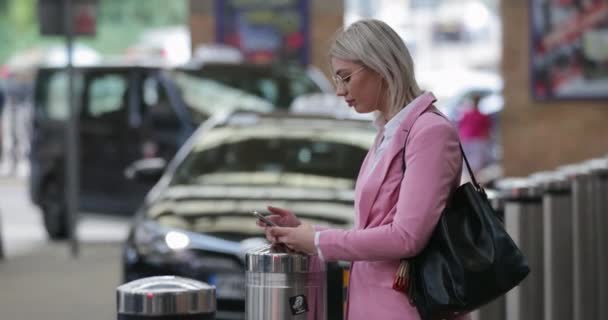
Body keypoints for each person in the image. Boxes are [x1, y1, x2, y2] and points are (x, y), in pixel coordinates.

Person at [257, 19, 467, 320]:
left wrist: (317, 241)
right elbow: (374, 230)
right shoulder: (389, 131)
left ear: (380, 66)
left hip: (410, 307)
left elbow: (407, 236)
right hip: (375, 305)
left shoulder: (429, 132)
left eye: (346, 78)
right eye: (336, 80)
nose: (340, 91)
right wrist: (304, 232)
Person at [457, 94, 492, 175]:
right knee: (475, 162)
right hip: (475, 140)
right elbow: (487, 129)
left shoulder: (467, 114)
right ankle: (473, 178)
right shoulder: (481, 115)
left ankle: (471, 178)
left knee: (469, 162)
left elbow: (460, 126)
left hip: (469, 139)